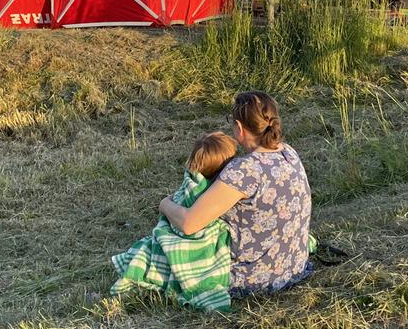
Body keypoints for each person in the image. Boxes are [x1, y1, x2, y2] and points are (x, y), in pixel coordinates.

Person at [159, 91, 313, 295]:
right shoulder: (288, 152)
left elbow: (189, 224)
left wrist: (164, 204)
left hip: (258, 279)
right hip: (293, 266)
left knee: (172, 241)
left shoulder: (244, 170)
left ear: (239, 128)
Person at [111, 132, 237, 311]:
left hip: (177, 226)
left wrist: (166, 203)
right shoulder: (205, 190)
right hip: (189, 235)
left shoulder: (196, 182)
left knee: (147, 249)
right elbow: (190, 222)